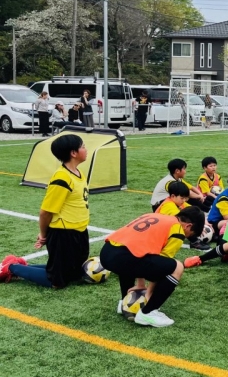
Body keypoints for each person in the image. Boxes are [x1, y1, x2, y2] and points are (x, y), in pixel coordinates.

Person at [0, 135, 90, 288]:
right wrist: (43, 234)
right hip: (63, 233)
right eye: (83, 146)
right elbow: (45, 212)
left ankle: (19, 265)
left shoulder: (78, 173)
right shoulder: (61, 177)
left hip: (80, 231)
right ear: (73, 153)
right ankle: (10, 267)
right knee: (55, 281)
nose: (86, 149)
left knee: (74, 274)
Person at [99, 207, 205, 327]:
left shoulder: (156, 215)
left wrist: (140, 285)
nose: (187, 237)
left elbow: (140, 250)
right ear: (188, 226)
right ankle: (148, 312)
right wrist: (149, 293)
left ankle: (124, 301)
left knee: (130, 258)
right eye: (190, 234)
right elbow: (160, 268)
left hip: (107, 252)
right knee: (177, 267)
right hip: (124, 257)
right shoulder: (178, 230)